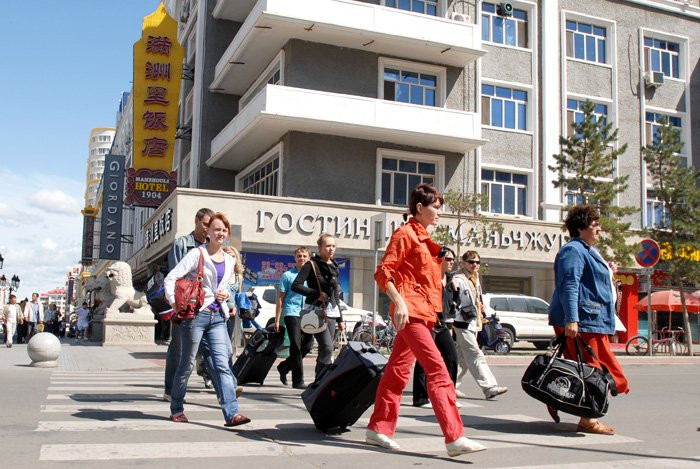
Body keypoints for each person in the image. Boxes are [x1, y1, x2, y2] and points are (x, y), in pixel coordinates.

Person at [366, 184, 485, 457]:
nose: (440, 212)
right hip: (410, 313)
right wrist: (399, 302)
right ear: (419, 208)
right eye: (436, 207)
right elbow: (383, 272)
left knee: (397, 371)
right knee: (438, 371)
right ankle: (454, 437)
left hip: (425, 313)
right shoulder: (405, 234)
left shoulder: (424, 239)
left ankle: (378, 428)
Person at [547, 204, 629, 435]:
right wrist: (572, 319)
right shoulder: (573, 250)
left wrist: (608, 270)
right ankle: (587, 419)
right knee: (597, 372)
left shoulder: (588, 250)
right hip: (583, 322)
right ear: (581, 227)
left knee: (594, 370)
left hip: (592, 321)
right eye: (595, 225)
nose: (599, 229)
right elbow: (570, 285)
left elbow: (589, 281)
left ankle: (556, 396)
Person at [164, 212, 249, 426]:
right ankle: (176, 408)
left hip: (217, 316)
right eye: (216, 229)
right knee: (186, 364)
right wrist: (174, 303)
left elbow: (224, 287)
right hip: (195, 316)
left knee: (223, 364)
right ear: (208, 232)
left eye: (224, 230)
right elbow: (171, 277)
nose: (220, 233)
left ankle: (232, 414)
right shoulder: (197, 254)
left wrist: (224, 294)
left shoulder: (229, 260)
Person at [163, 208, 214, 402]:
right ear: (196, 221)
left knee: (213, 347)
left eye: (211, 225)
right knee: (179, 348)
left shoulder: (212, 247)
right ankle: (170, 390)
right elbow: (176, 275)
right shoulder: (182, 244)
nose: (208, 228)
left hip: (207, 305)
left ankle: (224, 389)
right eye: (205, 224)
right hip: (185, 304)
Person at [453, 250, 508, 400]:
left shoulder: (475, 278)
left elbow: (476, 298)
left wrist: (481, 307)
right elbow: (452, 301)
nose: (475, 265)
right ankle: (489, 387)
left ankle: (450, 385)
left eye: (477, 262)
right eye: (471, 262)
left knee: (462, 359)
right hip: (461, 322)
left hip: (473, 322)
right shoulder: (457, 279)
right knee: (475, 354)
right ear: (463, 262)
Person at [291, 234, 345, 387]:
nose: (331, 249)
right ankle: (320, 381)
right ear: (320, 247)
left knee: (326, 349)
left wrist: (340, 319)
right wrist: (316, 293)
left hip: (332, 312)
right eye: (327, 246)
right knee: (327, 346)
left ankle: (320, 382)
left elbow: (336, 294)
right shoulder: (311, 264)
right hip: (315, 311)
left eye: (333, 246)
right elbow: (296, 285)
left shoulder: (334, 266)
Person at [412, 246, 461, 409]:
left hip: (442, 324)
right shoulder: (428, 277)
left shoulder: (450, 279)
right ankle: (420, 398)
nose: (451, 262)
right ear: (438, 260)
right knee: (424, 360)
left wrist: (455, 291)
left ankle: (449, 396)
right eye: (448, 259)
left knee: (452, 358)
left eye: (453, 259)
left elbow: (454, 304)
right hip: (427, 322)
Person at [275, 246, 312, 388]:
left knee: (307, 345)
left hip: (308, 313)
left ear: (309, 258)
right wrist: (278, 319)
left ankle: (284, 367)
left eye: (304, 256)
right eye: (299, 256)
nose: (301, 258)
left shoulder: (312, 276)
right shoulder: (287, 275)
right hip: (291, 312)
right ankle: (298, 381)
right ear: (295, 258)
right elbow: (280, 299)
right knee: (296, 345)